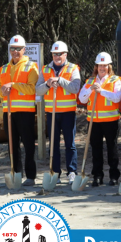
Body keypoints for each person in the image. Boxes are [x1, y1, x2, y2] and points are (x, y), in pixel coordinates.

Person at [36, 41, 81, 185]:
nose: (57, 57)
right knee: (53, 144)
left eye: (59, 54)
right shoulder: (45, 69)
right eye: (54, 54)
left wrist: (60, 80)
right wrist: (48, 84)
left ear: (65, 54)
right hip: (52, 113)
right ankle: (55, 172)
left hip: (68, 112)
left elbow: (75, 88)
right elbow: (38, 90)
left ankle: (72, 171)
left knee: (70, 144)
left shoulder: (73, 68)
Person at [0, 35, 39, 186]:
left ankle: (30, 176)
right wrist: (2, 91)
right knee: (12, 145)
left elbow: (32, 89)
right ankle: (16, 174)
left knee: (28, 144)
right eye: (13, 49)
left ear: (24, 50)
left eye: (18, 49)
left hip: (25, 112)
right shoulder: (4, 68)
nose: (15, 52)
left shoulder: (31, 66)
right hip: (8, 112)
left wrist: (13, 84)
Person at [78, 53, 121, 186]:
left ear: (109, 66)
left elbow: (117, 97)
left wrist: (101, 91)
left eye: (105, 65)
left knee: (112, 149)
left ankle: (114, 176)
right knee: (96, 150)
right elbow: (82, 99)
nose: (102, 68)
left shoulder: (116, 80)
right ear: (96, 67)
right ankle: (97, 176)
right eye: (100, 65)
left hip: (111, 120)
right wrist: (91, 90)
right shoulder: (90, 81)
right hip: (94, 122)